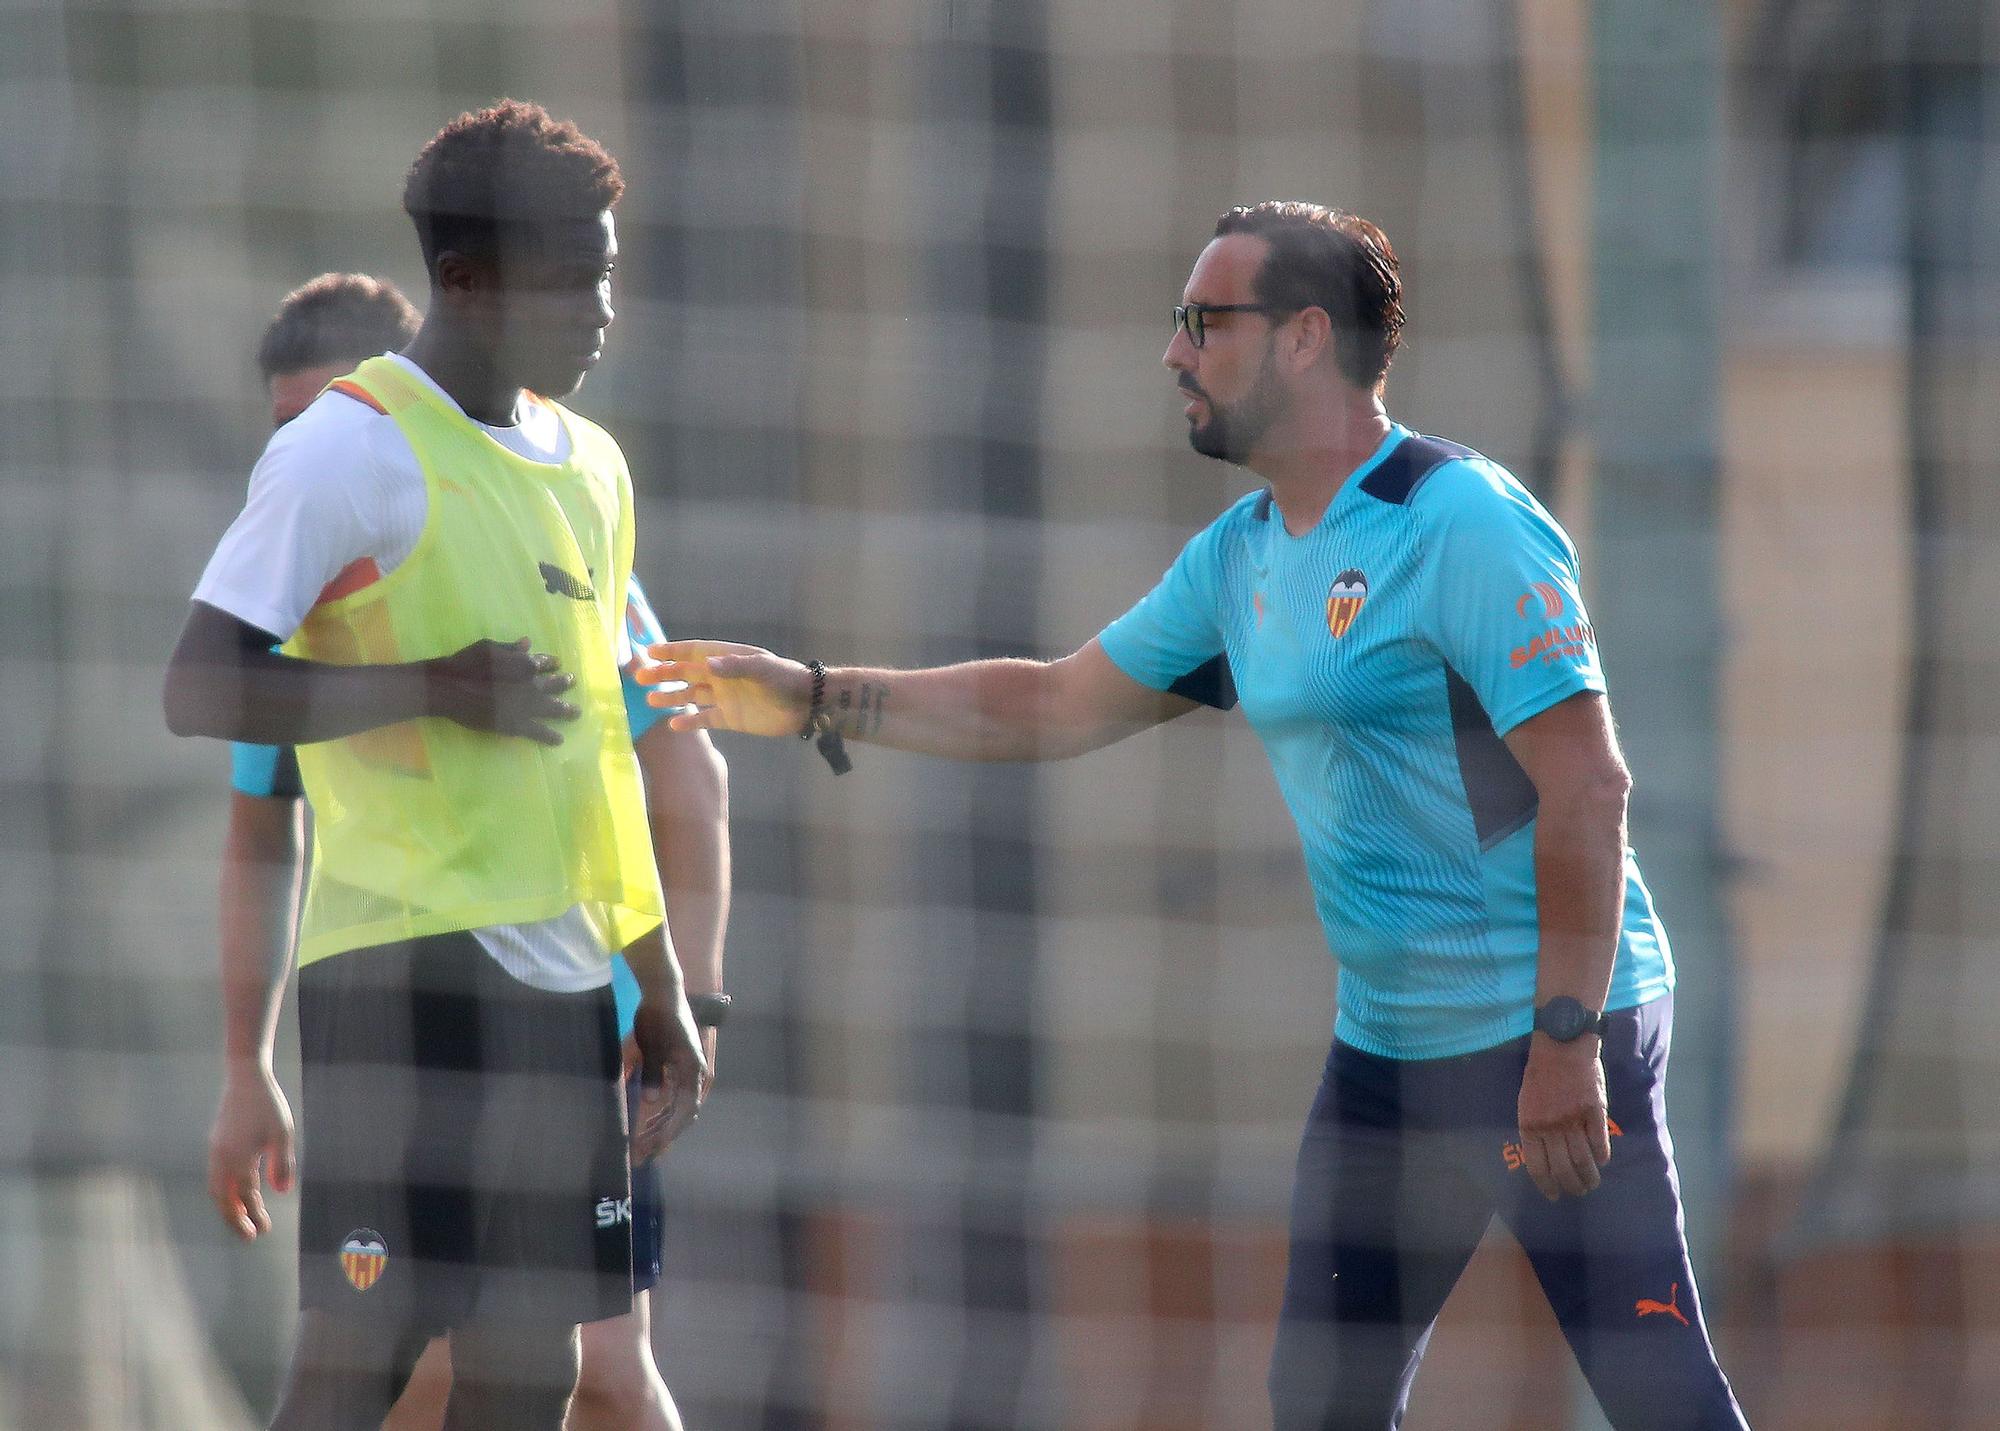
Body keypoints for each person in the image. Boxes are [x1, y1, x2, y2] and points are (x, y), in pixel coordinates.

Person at [636, 202, 1750, 1429]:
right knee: (1318, 1406)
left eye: (1200, 322)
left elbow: (1588, 790)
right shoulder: (1241, 557)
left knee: (1659, 1399)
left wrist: (1564, 1042)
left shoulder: (1459, 524)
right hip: (1383, 1054)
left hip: (1541, 1039)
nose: (1173, 353)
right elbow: (1051, 703)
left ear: (1301, 339)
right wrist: (816, 697)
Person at [165, 101, 708, 1431]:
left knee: (543, 1373)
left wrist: (657, 976)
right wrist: (427, 685)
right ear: (462, 280)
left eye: (608, 271)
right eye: (569, 275)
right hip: (408, 970)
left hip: (567, 973)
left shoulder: (593, 469)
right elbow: (199, 684)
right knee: (362, 1359)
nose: (600, 307)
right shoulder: (346, 446)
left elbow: (600, 760)